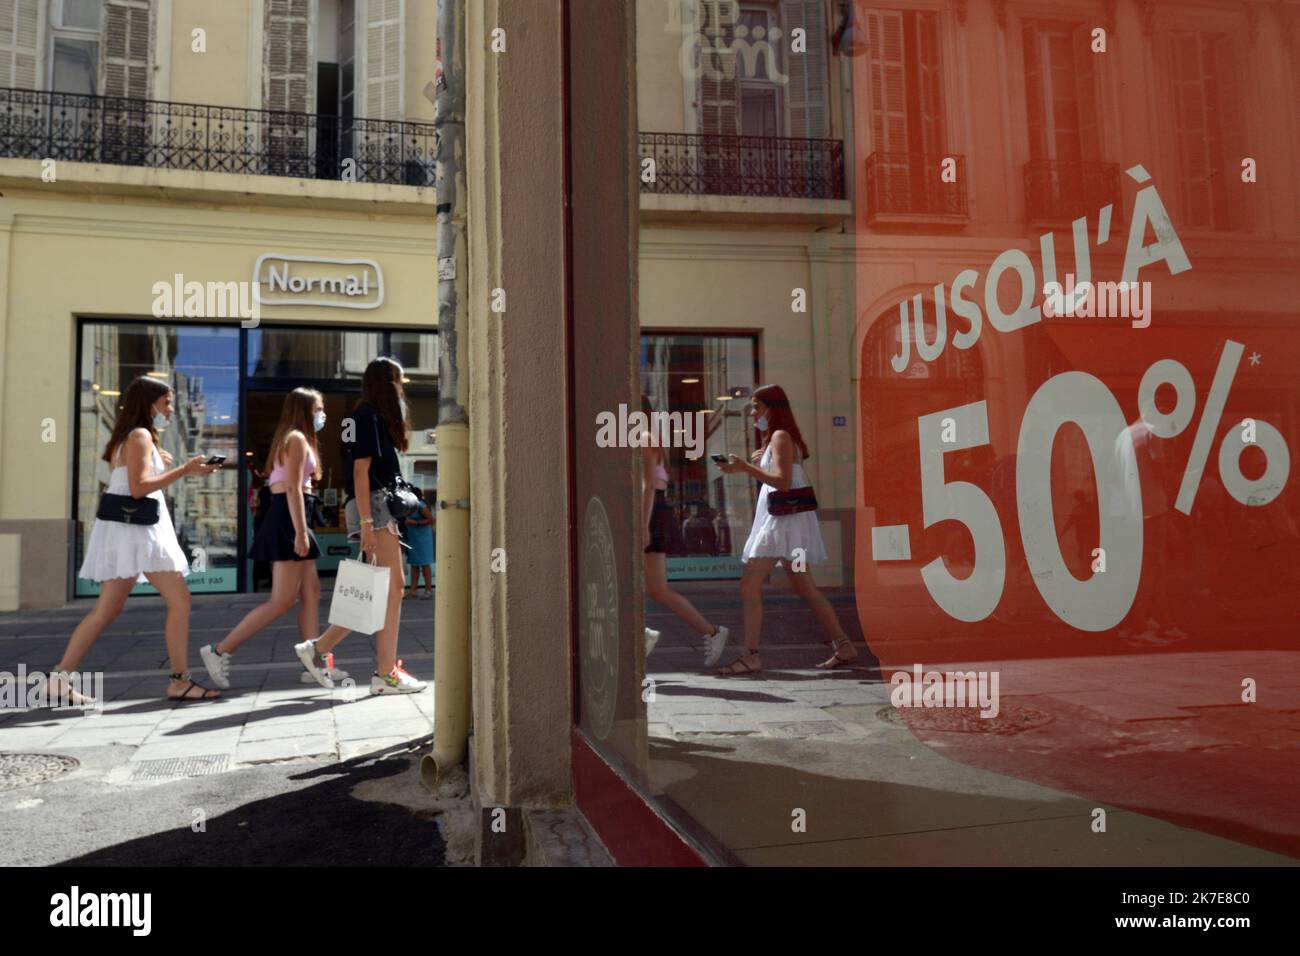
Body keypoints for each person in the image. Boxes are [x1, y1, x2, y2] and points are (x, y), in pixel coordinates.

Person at [50, 375, 224, 704]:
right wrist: (184, 470)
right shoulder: (140, 435)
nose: (171, 409)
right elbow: (139, 488)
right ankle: (179, 680)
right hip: (138, 533)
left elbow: (138, 481)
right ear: (149, 404)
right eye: (166, 402)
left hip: (128, 531)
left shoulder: (136, 437)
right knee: (180, 601)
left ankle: (59, 679)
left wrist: (169, 465)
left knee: (107, 609)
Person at [199, 388, 348, 688]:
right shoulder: (296, 438)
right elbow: (292, 488)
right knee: (282, 600)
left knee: (312, 593)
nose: (323, 414)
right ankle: (219, 650)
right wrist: (302, 532)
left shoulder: (296, 438)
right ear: (305, 410)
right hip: (290, 516)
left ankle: (315, 661)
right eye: (319, 408)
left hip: (294, 513)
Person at [294, 357, 426, 695]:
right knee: (386, 588)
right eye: (399, 380)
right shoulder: (364, 415)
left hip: (376, 506)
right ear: (387, 382)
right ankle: (372, 668)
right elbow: (359, 470)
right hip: (376, 505)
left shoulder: (366, 415)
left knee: (388, 588)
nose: (401, 388)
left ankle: (365, 663)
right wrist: (367, 521)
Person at [717, 384, 857, 674]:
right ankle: (844, 645)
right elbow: (780, 479)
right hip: (789, 525)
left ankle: (751, 655)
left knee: (750, 584)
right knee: (806, 587)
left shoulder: (781, 437)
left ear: (772, 407)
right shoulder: (776, 440)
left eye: (757, 406)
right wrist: (752, 465)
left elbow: (781, 481)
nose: (753, 413)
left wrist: (746, 468)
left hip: (781, 526)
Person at [641, 396, 728, 664]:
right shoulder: (648, 437)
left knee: (650, 586)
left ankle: (645, 634)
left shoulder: (644, 438)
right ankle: (707, 632)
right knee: (656, 589)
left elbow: (648, 487)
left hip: (650, 515)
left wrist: (642, 527)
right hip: (654, 514)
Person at [404, 489, 435, 599]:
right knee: (414, 563)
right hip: (414, 537)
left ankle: (428, 590)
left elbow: (431, 519)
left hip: (423, 538)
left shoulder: (420, 505)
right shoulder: (410, 505)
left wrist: (415, 523)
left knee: (425, 563)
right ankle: (413, 591)